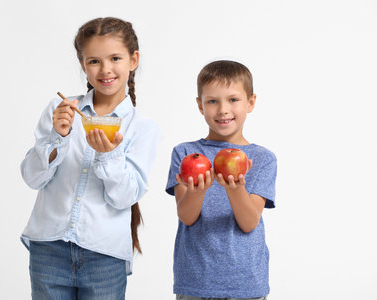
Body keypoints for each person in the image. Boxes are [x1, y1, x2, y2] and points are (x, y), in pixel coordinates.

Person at [20, 17, 160, 299]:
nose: (105, 69)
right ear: (83, 64)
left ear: (133, 60)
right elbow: (32, 177)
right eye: (94, 61)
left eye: (115, 58)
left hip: (104, 255)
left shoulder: (142, 127)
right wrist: (57, 139)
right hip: (49, 248)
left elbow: (125, 197)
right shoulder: (62, 110)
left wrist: (109, 158)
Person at [165, 60, 277, 299]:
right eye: (212, 101)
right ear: (200, 105)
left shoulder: (262, 159)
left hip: (246, 284)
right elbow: (186, 216)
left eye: (233, 100)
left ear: (251, 102)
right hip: (195, 281)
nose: (223, 109)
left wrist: (235, 189)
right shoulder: (185, 154)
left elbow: (249, 223)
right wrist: (197, 191)